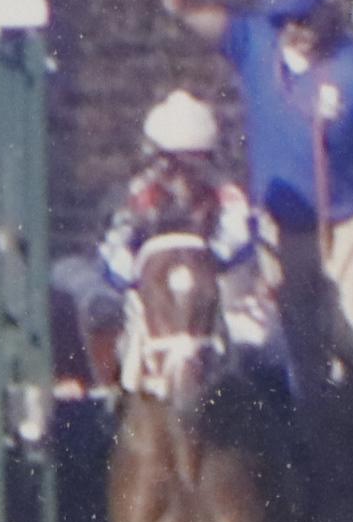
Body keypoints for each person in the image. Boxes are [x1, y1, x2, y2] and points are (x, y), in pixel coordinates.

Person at [156, 0, 353, 338]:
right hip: (280, 227)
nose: (294, 29)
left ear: (328, 10)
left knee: (352, 339)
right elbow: (184, 3)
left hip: (348, 224)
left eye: (304, 17)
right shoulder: (256, 44)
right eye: (282, 19)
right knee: (295, 344)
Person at [97, 89, 278, 369]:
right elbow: (114, 258)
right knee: (124, 353)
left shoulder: (228, 197)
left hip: (220, 301)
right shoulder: (136, 196)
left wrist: (204, 258)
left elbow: (238, 241)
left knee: (259, 350)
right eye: (172, 162)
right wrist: (141, 267)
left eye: (193, 161)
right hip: (153, 306)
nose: (182, 174)